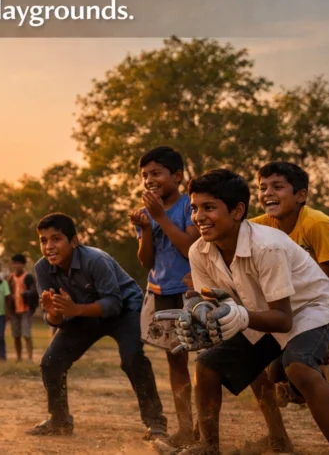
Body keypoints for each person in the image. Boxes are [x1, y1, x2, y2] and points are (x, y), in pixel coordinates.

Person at [182, 169, 329, 455]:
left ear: (238, 210)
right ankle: (208, 448)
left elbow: (284, 318)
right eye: (195, 208)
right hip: (258, 313)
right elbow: (214, 305)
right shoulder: (199, 251)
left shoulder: (267, 246)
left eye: (209, 208)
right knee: (207, 366)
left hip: (309, 310)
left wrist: (239, 316)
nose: (198, 216)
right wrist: (199, 320)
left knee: (298, 367)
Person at [31, 213, 168, 440]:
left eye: (56, 239)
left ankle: (155, 423)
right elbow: (56, 318)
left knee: (132, 358)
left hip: (124, 310)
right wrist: (53, 314)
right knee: (50, 362)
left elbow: (113, 304)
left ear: (73, 241)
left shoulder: (95, 260)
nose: (49, 247)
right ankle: (59, 420)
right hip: (82, 313)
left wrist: (75, 310)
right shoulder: (43, 269)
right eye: (43, 241)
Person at [252, 161, 329, 410]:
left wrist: (326, 335)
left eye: (277, 186)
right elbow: (231, 228)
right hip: (315, 300)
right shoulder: (262, 225)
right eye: (262, 187)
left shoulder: (316, 224)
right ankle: (311, 392)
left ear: (301, 195)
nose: (268, 193)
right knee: (280, 372)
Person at [130, 146, 198, 447]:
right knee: (176, 362)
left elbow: (189, 249)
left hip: (191, 293)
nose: (149, 180)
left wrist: (161, 217)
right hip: (161, 293)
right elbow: (146, 261)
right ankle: (186, 427)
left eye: (156, 173)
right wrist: (146, 229)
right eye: (144, 175)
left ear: (178, 176)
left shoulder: (189, 208)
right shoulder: (143, 214)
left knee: (209, 360)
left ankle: (207, 427)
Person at [7, 253, 37, 362]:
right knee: (16, 335)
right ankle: (18, 357)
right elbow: (7, 292)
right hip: (14, 310)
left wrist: (26, 294)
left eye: (19, 263)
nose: (17, 266)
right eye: (15, 263)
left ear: (23, 265)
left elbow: (34, 291)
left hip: (26, 309)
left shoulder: (28, 277)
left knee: (26, 334)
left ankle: (30, 357)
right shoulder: (10, 278)